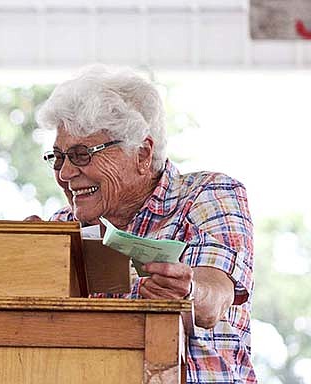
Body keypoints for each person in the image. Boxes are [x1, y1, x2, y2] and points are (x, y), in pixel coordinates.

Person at [36, 66, 256, 383]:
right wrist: (25, 251)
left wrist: (189, 291)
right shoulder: (62, 226)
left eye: (82, 155)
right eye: (57, 157)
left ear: (142, 153)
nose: (65, 173)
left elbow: (215, 298)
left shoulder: (207, 196)